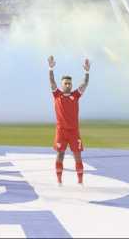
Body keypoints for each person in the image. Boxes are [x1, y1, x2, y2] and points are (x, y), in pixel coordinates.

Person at [48, 55, 90, 186]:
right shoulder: (57, 95)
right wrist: (50, 68)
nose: (67, 85)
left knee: (77, 155)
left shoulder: (75, 95)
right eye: (65, 83)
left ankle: (80, 182)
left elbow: (84, 84)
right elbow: (52, 82)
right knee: (60, 155)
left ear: (72, 85)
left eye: (69, 83)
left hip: (74, 131)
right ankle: (59, 181)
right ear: (62, 85)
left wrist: (87, 72)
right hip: (61, 131)